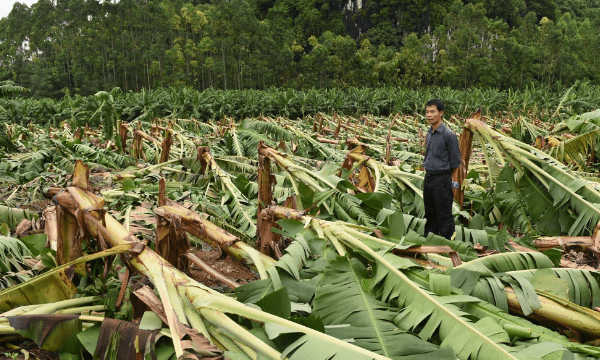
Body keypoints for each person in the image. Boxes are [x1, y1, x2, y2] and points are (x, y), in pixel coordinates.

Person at [422, 99, 461, 240]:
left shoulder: (448, 135)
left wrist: (452, 183)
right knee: (430, 213)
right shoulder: (429, 133)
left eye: (433, 111)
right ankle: (430, 243)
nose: (429, 115)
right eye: (427, 112)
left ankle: (449, 245)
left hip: (442, 179)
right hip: (429, 178)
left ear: (441, 113)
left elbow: (455, 162)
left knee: (444, 214)